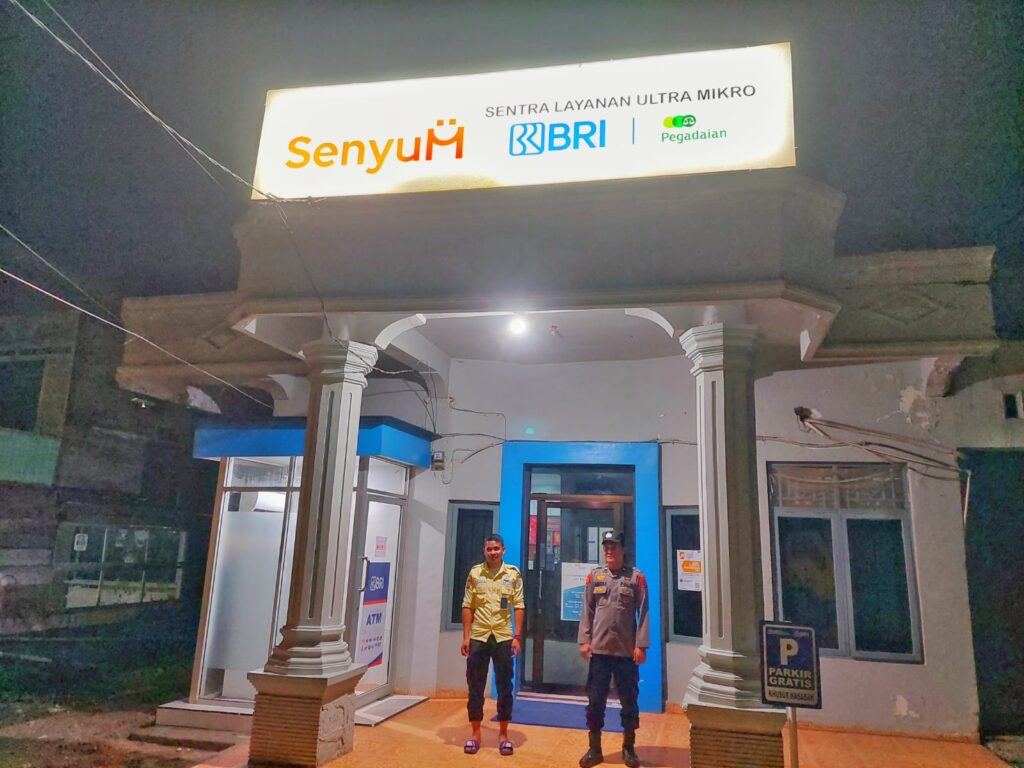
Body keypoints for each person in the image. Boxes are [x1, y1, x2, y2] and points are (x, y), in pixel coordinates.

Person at [577, 530, 649, 768]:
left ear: (623, 549)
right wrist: (584, 640)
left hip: (626, 653)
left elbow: (644, 613)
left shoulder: (636, 578)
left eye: (613, 546)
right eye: (606, 547)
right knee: (595, 701)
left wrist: (641, 645)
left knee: (629, 701)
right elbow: (587, 610)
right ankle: (594, 749)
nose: (609, 550)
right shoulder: (595, 576)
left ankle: (629, 748)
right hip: (599, 652)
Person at [461, 533, 525, 756]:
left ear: (503, 550)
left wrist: (517, 637)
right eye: (489, 549)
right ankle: (475, 734)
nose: (493, 552)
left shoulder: (513, 574)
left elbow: (519, 606)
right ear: (484, 551)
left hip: (503, 636)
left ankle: (504, 735)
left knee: (505, 686)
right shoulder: (475, 573)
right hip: (479, 636)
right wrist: (466, 636)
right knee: (475, 685)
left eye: (496, 549)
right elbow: (467, 605)